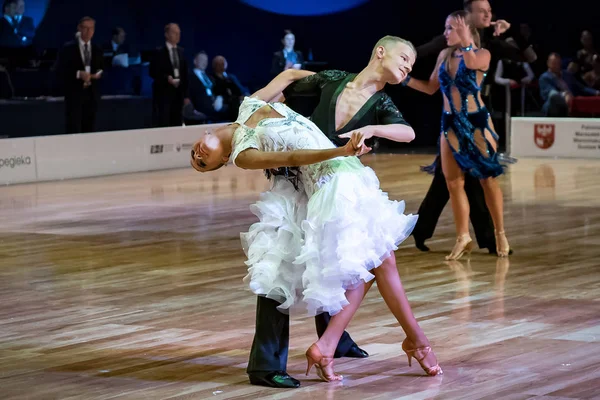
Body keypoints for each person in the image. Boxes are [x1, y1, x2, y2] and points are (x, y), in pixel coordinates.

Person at [190, 68, 442, 383]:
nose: (198, 157)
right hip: (332, 181)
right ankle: (407, 341)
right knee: (373, 259)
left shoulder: (248, 105)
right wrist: (341, 150)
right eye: (202, 164)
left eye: (195, 154)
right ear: (223, 161)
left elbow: (288, 75)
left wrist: (343, 82)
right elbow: (294, 155)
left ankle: (341, 343)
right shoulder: (243, 153)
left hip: (346, 172)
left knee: (378, 259)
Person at [239, 36, 420, 389]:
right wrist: (252, 107)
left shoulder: (382, 102)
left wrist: (372, 128)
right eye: (404, 58)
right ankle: (265, 364)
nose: (408, 67)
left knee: (338, 261)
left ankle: (337, 341)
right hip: (295, 183)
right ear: (380, 51)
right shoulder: (334, 79)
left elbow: (408, 132)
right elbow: (291, 77)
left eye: (411, 64)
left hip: (333, 189)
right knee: (279, 268)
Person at [412, 0, 520, 255]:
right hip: (449, 124)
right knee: (453, 183)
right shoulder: (444, 55)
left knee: (488, 181)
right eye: (446, 29)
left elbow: (471, 64)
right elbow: (430, 88)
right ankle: (462, 237)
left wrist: (466, 40)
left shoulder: (482, 54)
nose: (446, 34)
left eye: (450, 29)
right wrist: (402, 79)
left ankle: (500, 234)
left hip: (476, 124)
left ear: (465, 29)